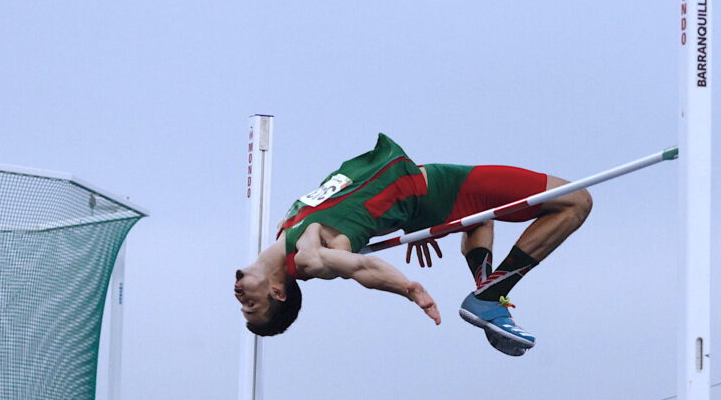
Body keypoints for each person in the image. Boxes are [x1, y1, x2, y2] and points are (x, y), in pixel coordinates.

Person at [234, 133, 592, 355]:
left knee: (481, 217)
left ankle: (489, 297)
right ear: (278, 292)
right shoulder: (309, 257)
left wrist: (405, 218)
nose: (240, 298)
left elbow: (351, 202)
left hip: (417, 201)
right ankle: (488, 298)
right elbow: (358, 267)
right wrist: (409, 289)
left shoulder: (285, 229)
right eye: (252, 304)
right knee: (576, 200)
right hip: (435, 188)